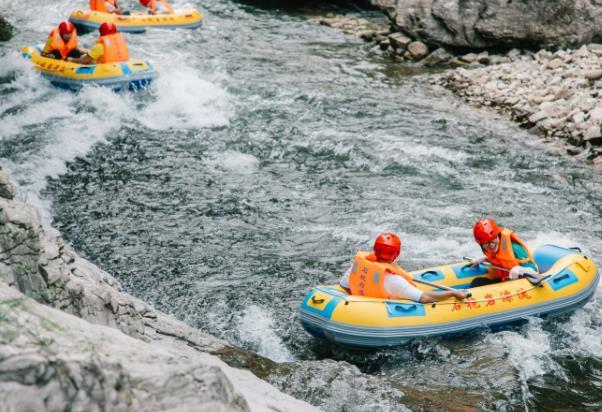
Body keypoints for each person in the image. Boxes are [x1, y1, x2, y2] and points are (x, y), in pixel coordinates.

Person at [340, 232, 469, 303]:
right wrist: (453, 292)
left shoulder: (357, 266)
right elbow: (425, 298)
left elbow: (344, 285)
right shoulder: (394, 280)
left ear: (375, 250)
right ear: (396, 254)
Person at [469, 218, 539, 287]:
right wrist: (483, 259)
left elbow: (534, 271)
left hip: (520, 284)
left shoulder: (514, 248)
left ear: (497, 235)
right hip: (505, 282)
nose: (491, 245)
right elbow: (497, 260)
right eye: (486, 243)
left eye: (493, 240)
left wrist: (520, 269)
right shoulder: (489, 250)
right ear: (481, 244)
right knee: (477, 282)